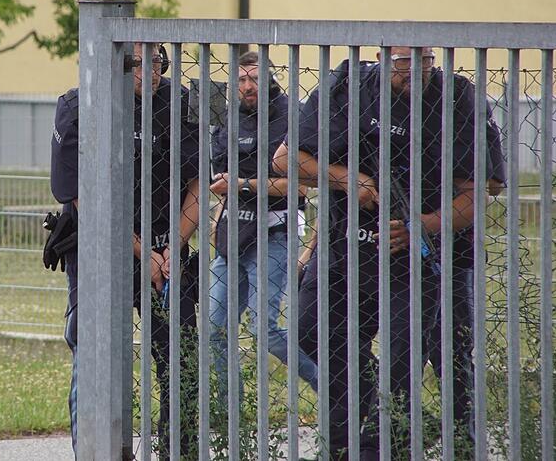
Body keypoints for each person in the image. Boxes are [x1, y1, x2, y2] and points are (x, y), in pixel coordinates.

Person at [274, 46, 484, 460]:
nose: (416, 70)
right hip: (346, 248)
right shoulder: (346, 87)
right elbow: (287, 159)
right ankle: (368, 413)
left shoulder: (455, 97)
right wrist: (347, 178)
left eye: (425, 59)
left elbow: (479, 193)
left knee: (438, 360)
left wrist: (420, 226)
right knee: (314, 330)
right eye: (405, 60)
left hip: (431, 258)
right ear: (383, 58)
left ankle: (442, 443)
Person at [49, 43, 202, 459]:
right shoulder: (80, 105)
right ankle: (96, 451)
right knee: (94, 351)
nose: (149, 71)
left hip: (167, 249)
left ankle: (178, 449)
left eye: (157, 61)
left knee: (179, 350)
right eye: (137, 63)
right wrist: (142, 253)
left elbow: (200, 183)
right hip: (101, 247)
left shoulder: (181, 105)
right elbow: (83, 197)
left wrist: (172, 247)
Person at [207, 51, 320, 405]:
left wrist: (242, 185)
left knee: (264, 330)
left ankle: (331, 388)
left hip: (274, 234)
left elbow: (299, 187)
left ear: (271, 78)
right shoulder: (230, 118)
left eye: (254, 78)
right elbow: (217, 181)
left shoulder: (292, 115)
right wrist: (216, 224)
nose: (247, 86)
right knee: (213, 330)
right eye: (240, 80)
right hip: (233, 236)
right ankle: (232, 412)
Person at [422, 103, 505, 455]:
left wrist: (447, 176)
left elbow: (493, 184)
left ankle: (462, 444)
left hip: (454, 253)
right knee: (400, 353)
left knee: (453, 353)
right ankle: (402, 429)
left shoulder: (466, 104)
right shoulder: (373, 101)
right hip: (388, 251)